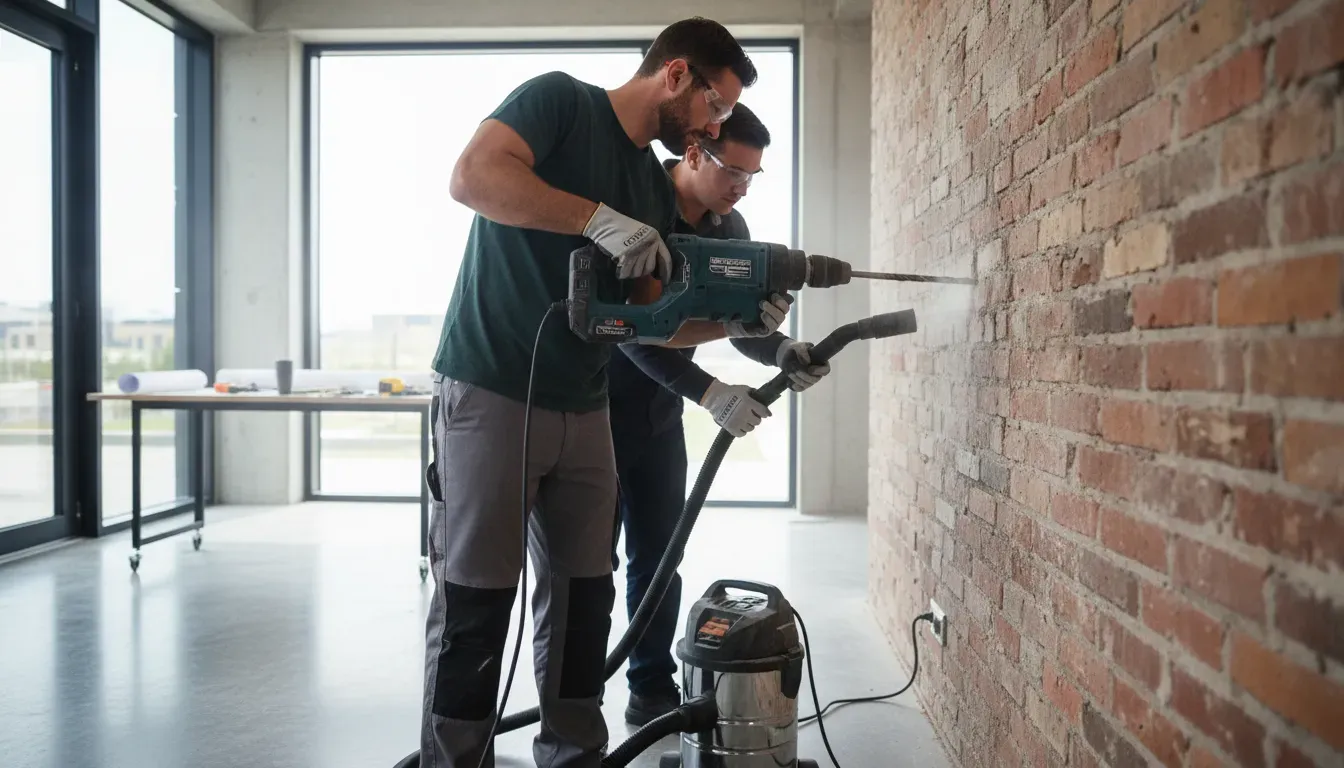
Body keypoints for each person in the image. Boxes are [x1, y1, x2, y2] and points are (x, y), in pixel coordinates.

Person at [422, 17, 788, 768]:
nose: (715, 126)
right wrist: (591, 219)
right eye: (716, 107)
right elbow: (473, 178)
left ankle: (573, 753)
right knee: (478, 599)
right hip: (492, 385)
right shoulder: (560, 102)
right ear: (677, 74)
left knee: (585, 597)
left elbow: (650, 324)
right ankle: (454, 759)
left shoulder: (649, 188)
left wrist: (738, 324)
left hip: (585, 403)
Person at [606, 103, 832, 726]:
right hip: (592, 412)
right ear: (697, 153)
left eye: (752, 176)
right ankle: (574, 705)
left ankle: (650, 687)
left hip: (654, 416)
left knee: (658, 558)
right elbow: (631, 331)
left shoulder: (729, 231)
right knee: (589, 568)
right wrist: (708, 392)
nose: (740, 187)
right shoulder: (636, 203)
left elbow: (736, 324)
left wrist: (782, 348)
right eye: (734, 170)